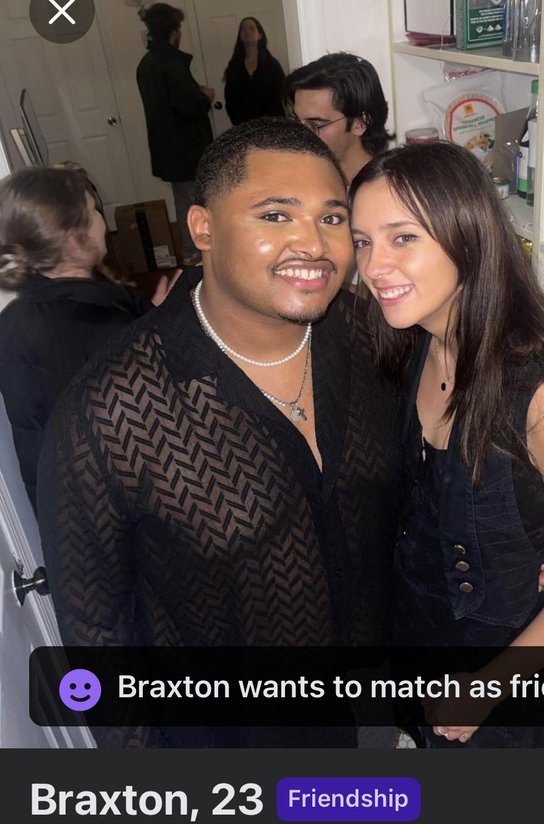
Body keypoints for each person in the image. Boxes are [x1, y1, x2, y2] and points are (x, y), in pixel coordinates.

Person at [37, 119, 400, 749]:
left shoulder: (372, 336)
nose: (313, 244)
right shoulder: (110, 412)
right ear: (202, 228)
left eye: (332, 218)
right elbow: (96, 638)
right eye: (276, 215)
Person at [350, 142, 544, 749]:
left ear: (469, 236)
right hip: (417, 633)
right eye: (363, 242)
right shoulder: (417, 342)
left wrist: (487, 688)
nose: (373, 266)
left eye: (403, 238)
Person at [0, 166, 159, 512]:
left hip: (64, 509)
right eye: (94, 211)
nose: (102, 221)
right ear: (74, 239)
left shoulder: (12, 319)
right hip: (126, 511)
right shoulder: (101, 324)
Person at [136, 3, 214, 266]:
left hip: (167, 148)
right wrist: (205, 97)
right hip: (186, 148)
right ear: (173, 31)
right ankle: (196, 253)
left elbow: (165, 103)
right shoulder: (171, 63)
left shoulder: (146, 64)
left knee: (183, 201)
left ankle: (192, 252)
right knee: (194, 202)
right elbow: (188, 107)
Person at [285, 52, 393, 184]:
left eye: (315, 125)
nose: (300, 135)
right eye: (296, 120)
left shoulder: (385, 189)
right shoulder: (302, 177)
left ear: (360, 123)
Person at [223, 16, 285, 126]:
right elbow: (230, 98)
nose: (247, 31)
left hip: (271, 126)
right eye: (243, 28)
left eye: (251, 28)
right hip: (243, 127)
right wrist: (238, 122)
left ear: (260, 35)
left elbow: (280, 95)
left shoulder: (272, 65)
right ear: (240, 36)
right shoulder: (235, 65)